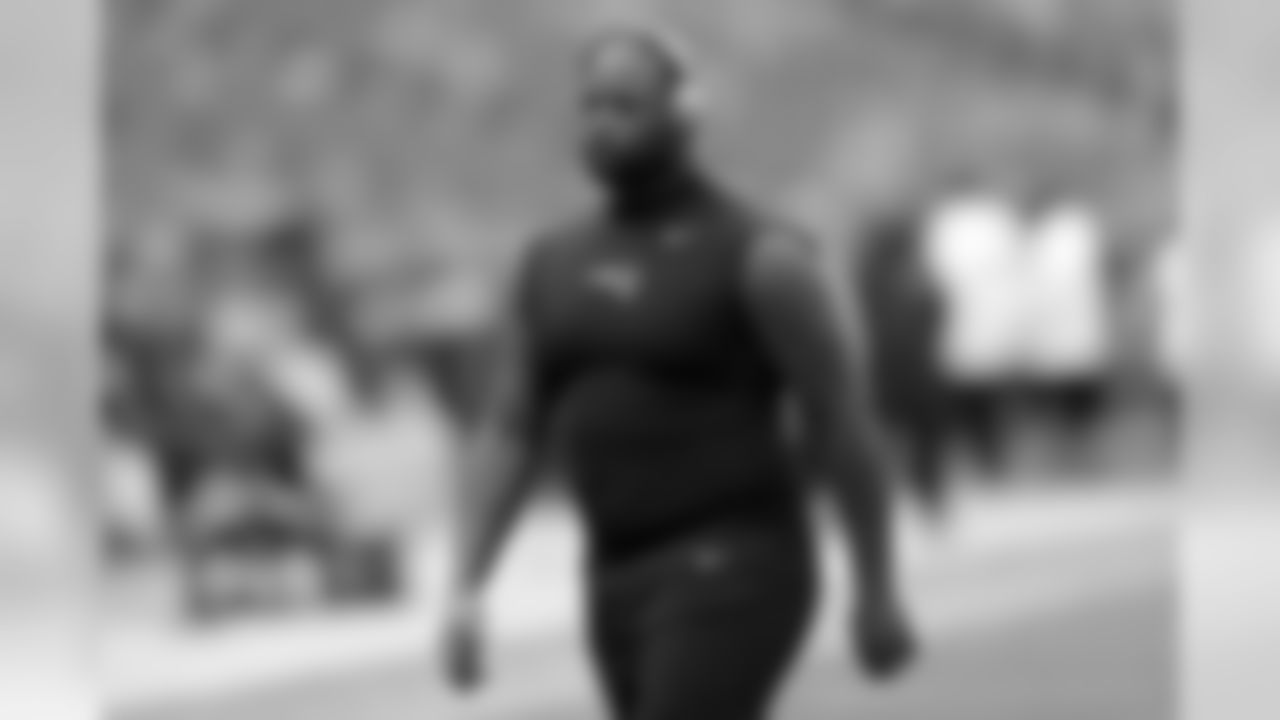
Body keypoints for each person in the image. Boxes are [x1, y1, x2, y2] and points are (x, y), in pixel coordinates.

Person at [442, 28, 917, 719]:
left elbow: (841, 421)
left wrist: (877, 587)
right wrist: (466, 585)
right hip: (614, 572)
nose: (603, 124)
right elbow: (511, 427)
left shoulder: (760, 256)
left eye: (625, 105)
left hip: (737, 559)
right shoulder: (552, 261)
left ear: (684, 115)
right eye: (592, 105)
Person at [855, 204, 949, 517]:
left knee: (896, 431)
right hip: (914, 368)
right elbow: (936, 313)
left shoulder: (872, 275)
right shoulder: (909, 277)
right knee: (922, 433)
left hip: (888, 365)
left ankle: (910, 488)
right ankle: (925, 488)